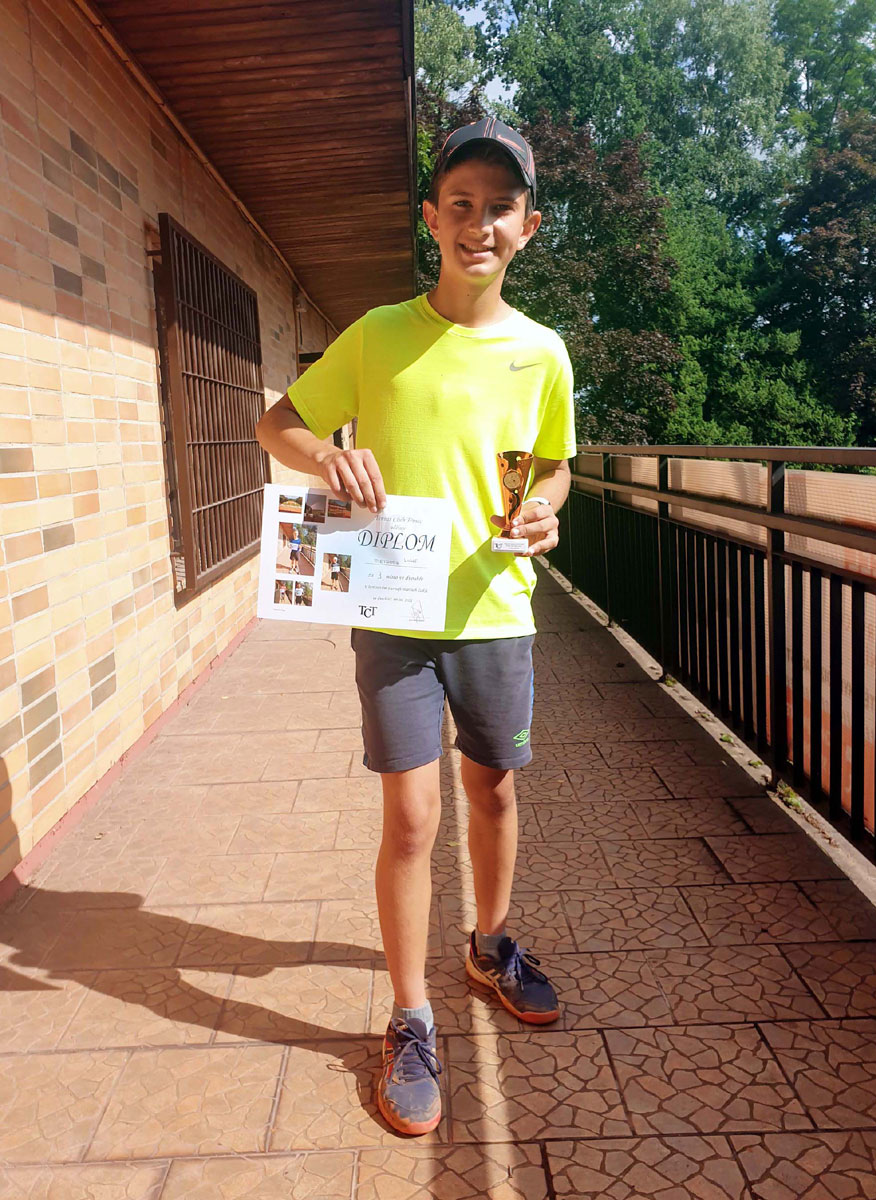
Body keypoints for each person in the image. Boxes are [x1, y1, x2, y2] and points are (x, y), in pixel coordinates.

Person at [256, 117, 575, 1137]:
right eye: (462, 204)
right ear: (431, 217)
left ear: (529, 226)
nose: (480, 224)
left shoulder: (544, 352)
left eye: (501, 207)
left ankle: (489, 946)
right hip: (392, 614)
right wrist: (326, 457)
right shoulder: (377, 334)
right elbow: (277, 422)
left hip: (494, 611)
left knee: (494, 787)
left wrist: (546, 509)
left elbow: (555, 466)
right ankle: (410, 1015)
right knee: (409, 818)